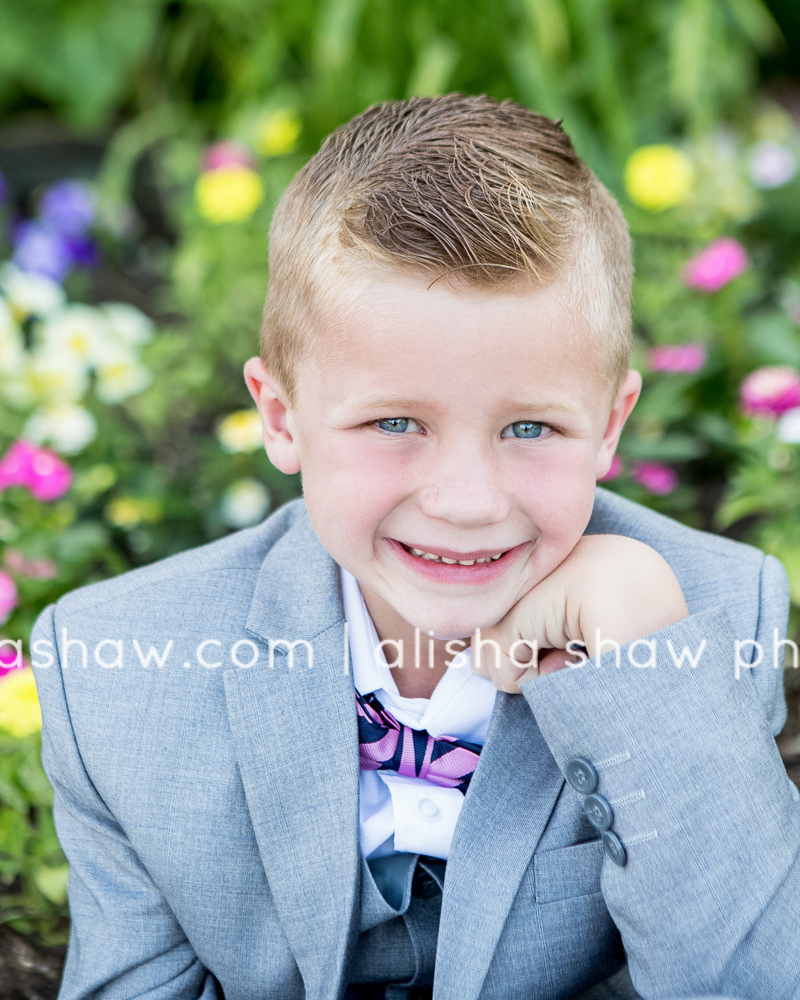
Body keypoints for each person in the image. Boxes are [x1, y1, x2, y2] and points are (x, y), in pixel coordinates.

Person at [30, 94, 800, 1000]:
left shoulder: (710, 615)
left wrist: (644, 670)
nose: (466, 502)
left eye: (531, 428)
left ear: (610, 424)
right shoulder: (119, 676)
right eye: (395, 422)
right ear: (281, 418)